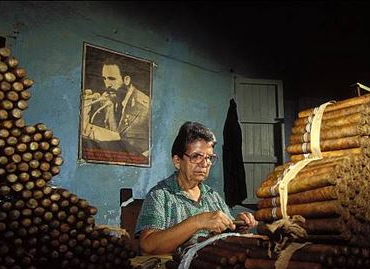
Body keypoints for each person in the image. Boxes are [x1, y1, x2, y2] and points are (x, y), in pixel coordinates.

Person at [135, 121, 257, 256]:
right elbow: (147, 246)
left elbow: (225, 237)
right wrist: (197, 222)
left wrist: (238, 227)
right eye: (196, 156)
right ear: (177, 161)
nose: (204, 164)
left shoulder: (212, 197)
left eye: (209, 157)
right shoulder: (160, 195)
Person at [81, 57, 150, 158]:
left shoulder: (145, 106)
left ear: (126, 80)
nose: (107, 84)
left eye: (112, 79)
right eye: (104, 79)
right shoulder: (108, 100)